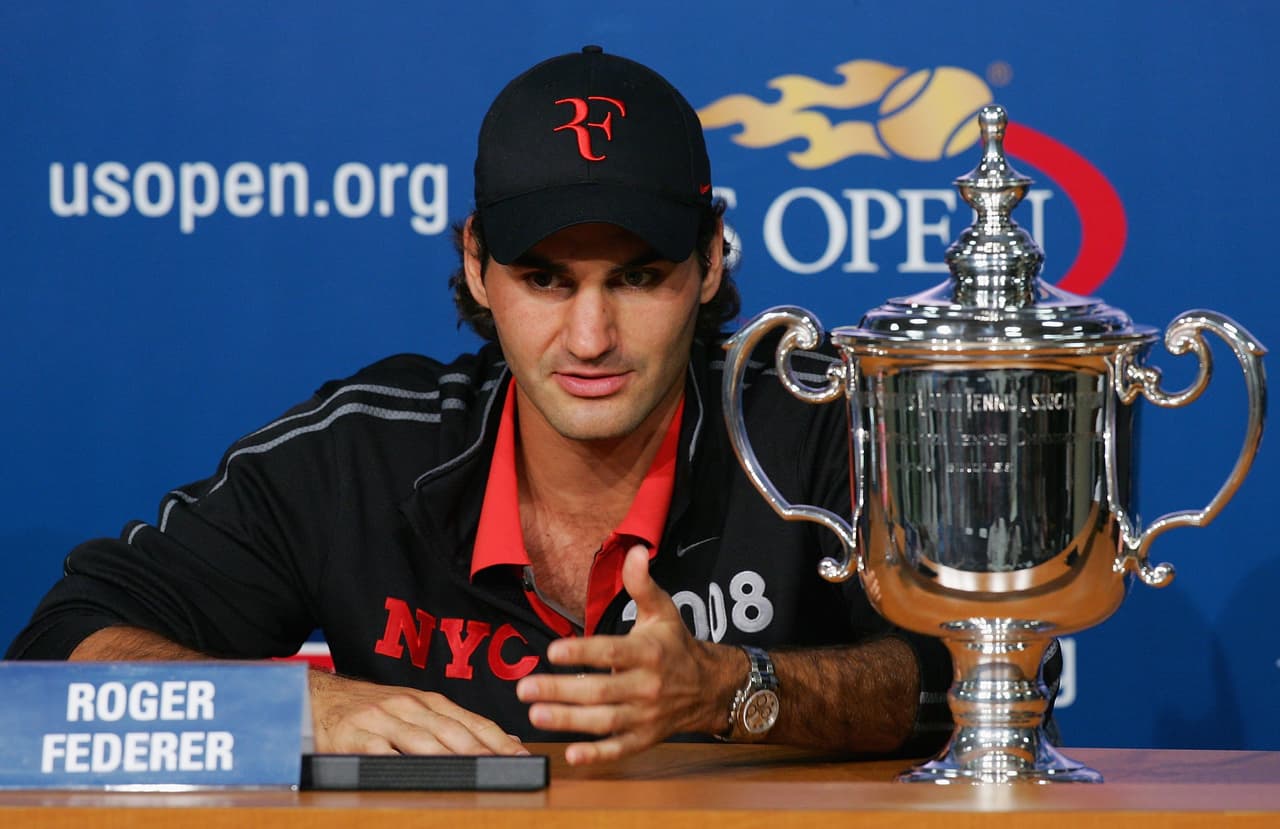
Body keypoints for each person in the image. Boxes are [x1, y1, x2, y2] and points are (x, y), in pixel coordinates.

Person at [7, 46, 959, 765]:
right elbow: (60, 651)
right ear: (475, 264)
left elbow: (982, 681)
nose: (590, 337)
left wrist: (731, 688)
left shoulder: (820, 423)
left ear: (711, 262)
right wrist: (302, 706)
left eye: (637, 277)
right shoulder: (365, 449)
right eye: (545, 279)